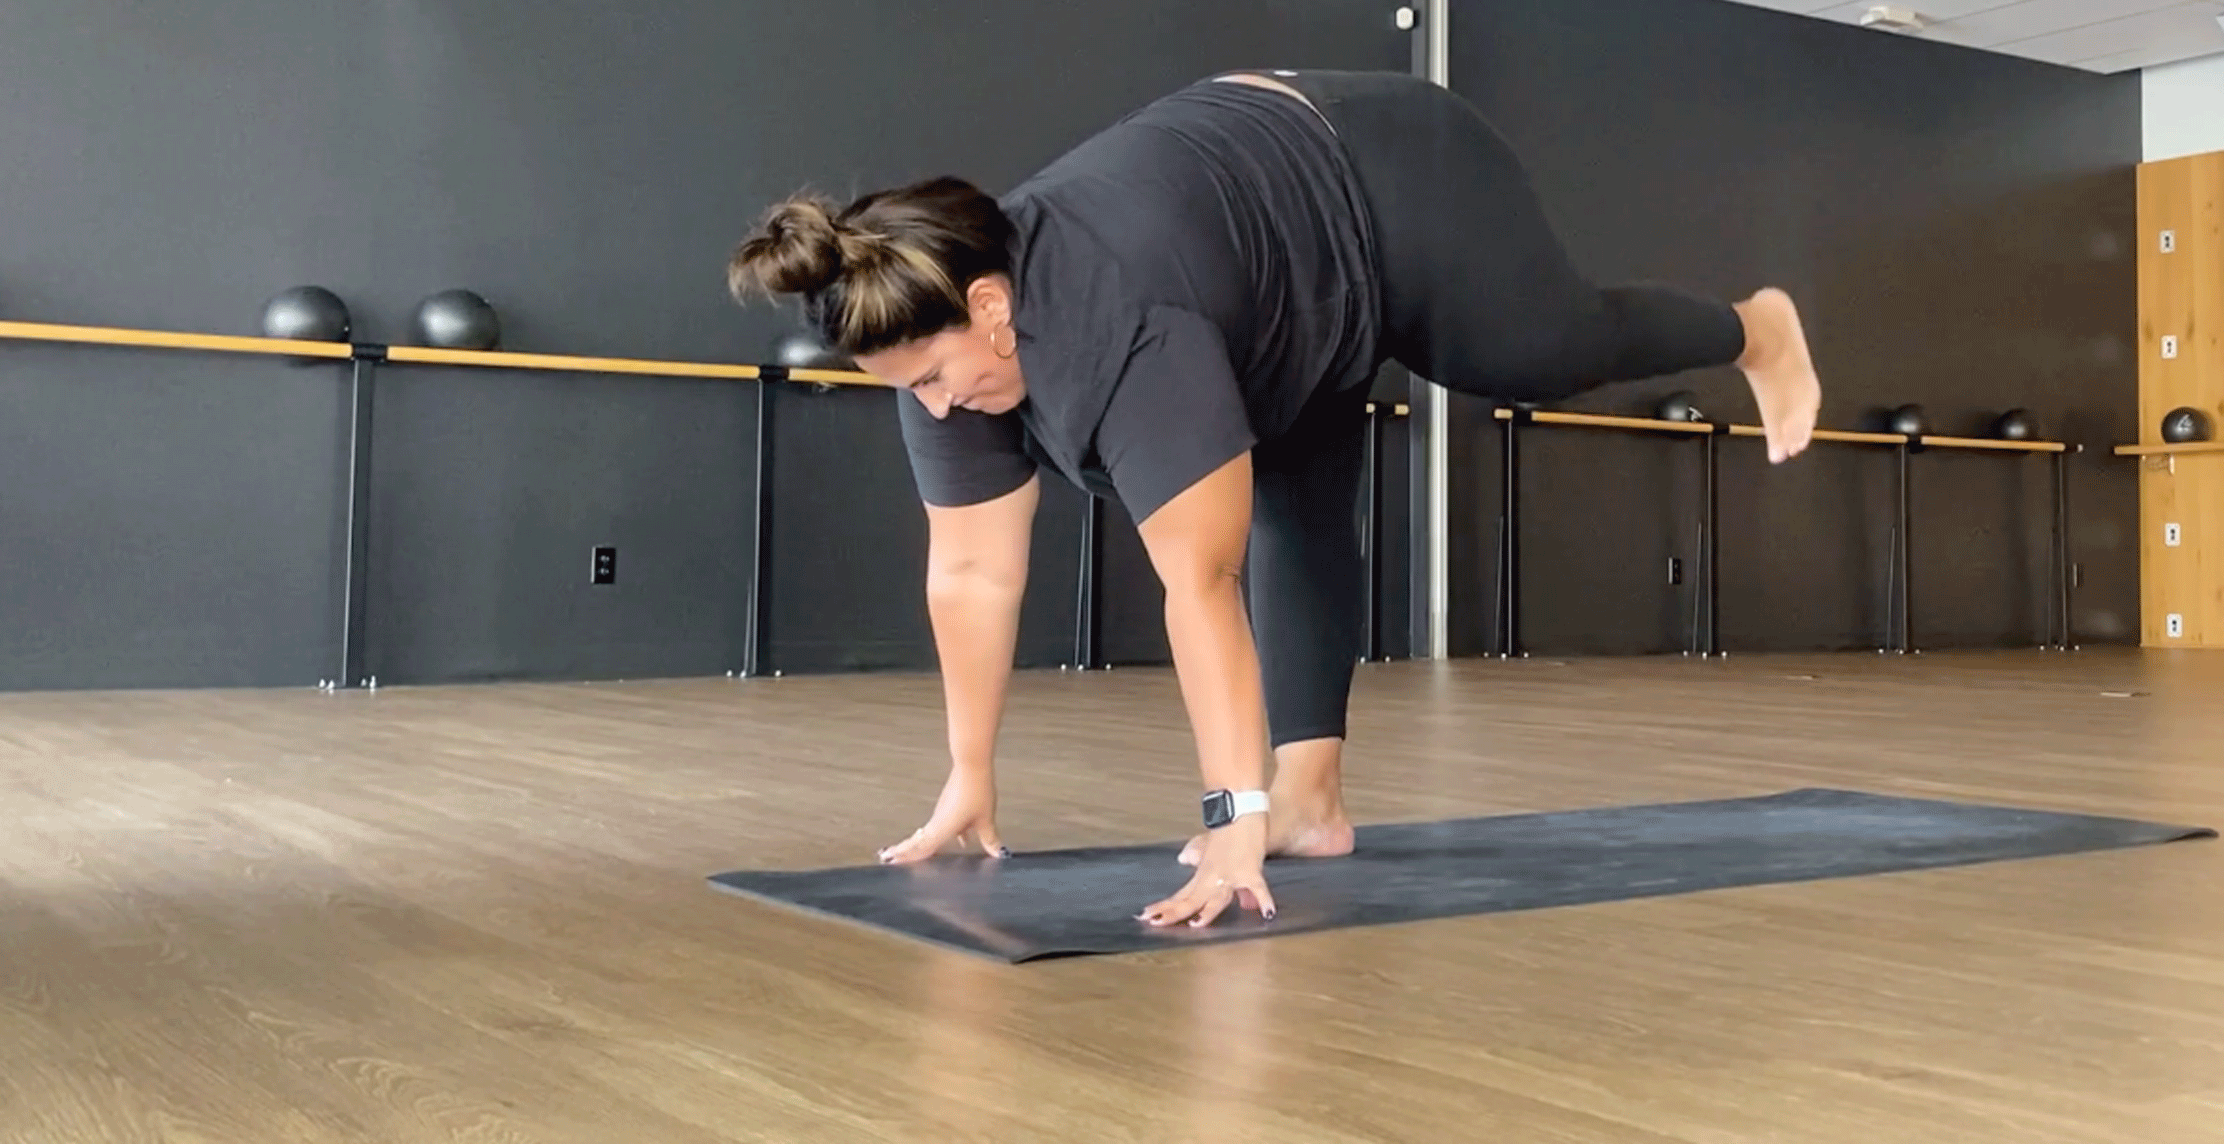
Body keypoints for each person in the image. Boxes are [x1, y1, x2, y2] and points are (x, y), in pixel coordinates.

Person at [726, 70, 1820, 932]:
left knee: (1545, 349)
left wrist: (1228, 820)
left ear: (993, 304)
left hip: (1386, 170)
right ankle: (1313, 800)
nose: (936, 405)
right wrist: (967, 780)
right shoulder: (934, 341)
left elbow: (1200, 581)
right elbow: (970, 573)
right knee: (1298, 497)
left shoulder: (1125, 324)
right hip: (1262, 284)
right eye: (909, 390)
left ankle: (1753, 326)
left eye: (933, 376)